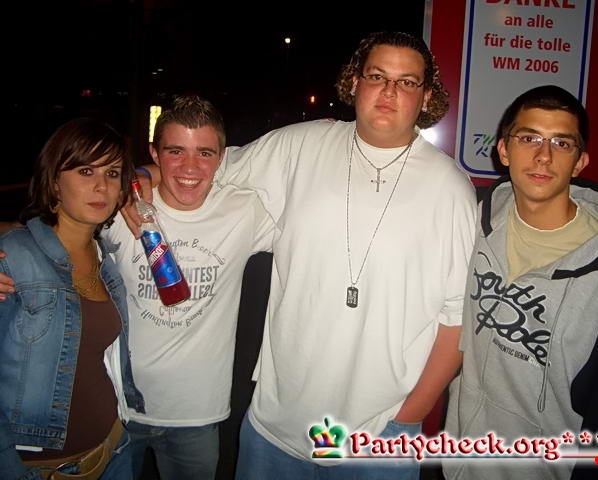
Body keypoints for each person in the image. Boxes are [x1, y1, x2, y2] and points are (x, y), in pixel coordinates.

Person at [129, 31, 477, 479]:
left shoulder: (450, 189)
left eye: (406, 82)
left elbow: (458, 316)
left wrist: (411, 412)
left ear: (426, 95)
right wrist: (143, 173)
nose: (389, 91)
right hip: (275, 428)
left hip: (379, 436)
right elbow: (205, 165)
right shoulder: (300, 146)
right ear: (354, 82)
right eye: (377, 76)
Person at [443, 85, 598, 479]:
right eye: (529, 138)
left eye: (561, 143)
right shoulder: (471, 221)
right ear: (503, 150)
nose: (543, 156)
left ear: (580, 161)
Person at [103, 95, 274, 479]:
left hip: (197, 412)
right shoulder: (121, 208)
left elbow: (312, 222)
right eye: (175, 151)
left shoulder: (244, 210)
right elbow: (53, 235)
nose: (190, 167)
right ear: (155, 153)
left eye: (205, 153)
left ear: (222, 158)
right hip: (118, 407)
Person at [0, 117, 146, 480]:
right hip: (41, 468)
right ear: (54, 181)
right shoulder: (14, 257)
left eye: (112, 174)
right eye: (85, 171)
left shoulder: (106, 260)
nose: (101, 186)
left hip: (114, 448)